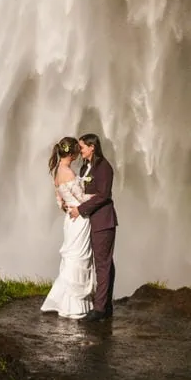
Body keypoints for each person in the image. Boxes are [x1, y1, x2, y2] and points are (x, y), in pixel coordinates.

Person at [40, 136, 95, 319]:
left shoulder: (58, 171)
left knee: (72, 258)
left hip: (69, 219)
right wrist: (99, 196)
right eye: (77, 152)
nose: (79, 154)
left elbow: (59, 199)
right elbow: (81, 198)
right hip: (79, 218)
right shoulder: (69, 173)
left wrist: (64, 207)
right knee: (79, 258)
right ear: (71, 154)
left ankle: (66, 302)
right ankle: (76, 307)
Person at [71, 132, 117, 321]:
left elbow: (103, 195)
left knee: (102, 263)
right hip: (90, 221)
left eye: (81, 147)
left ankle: (99, 309)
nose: (79, 151)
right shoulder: (85, 168)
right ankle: (105, 304)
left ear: (92, 147)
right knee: (105, 262)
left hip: (103, 221)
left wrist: (80, 209)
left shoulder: (103, 167)